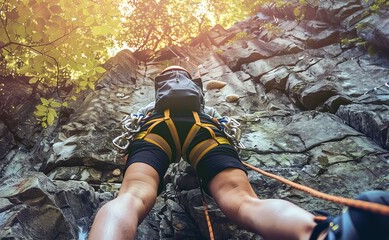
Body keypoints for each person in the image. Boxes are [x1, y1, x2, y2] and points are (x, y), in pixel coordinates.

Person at [89, 66, 389, 240]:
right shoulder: (201, 106)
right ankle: (322, 234)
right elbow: (222, 122)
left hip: (156, 129)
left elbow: (134, 124)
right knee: (243, 202)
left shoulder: (154, 107)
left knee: (133, 195)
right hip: (204, 130)